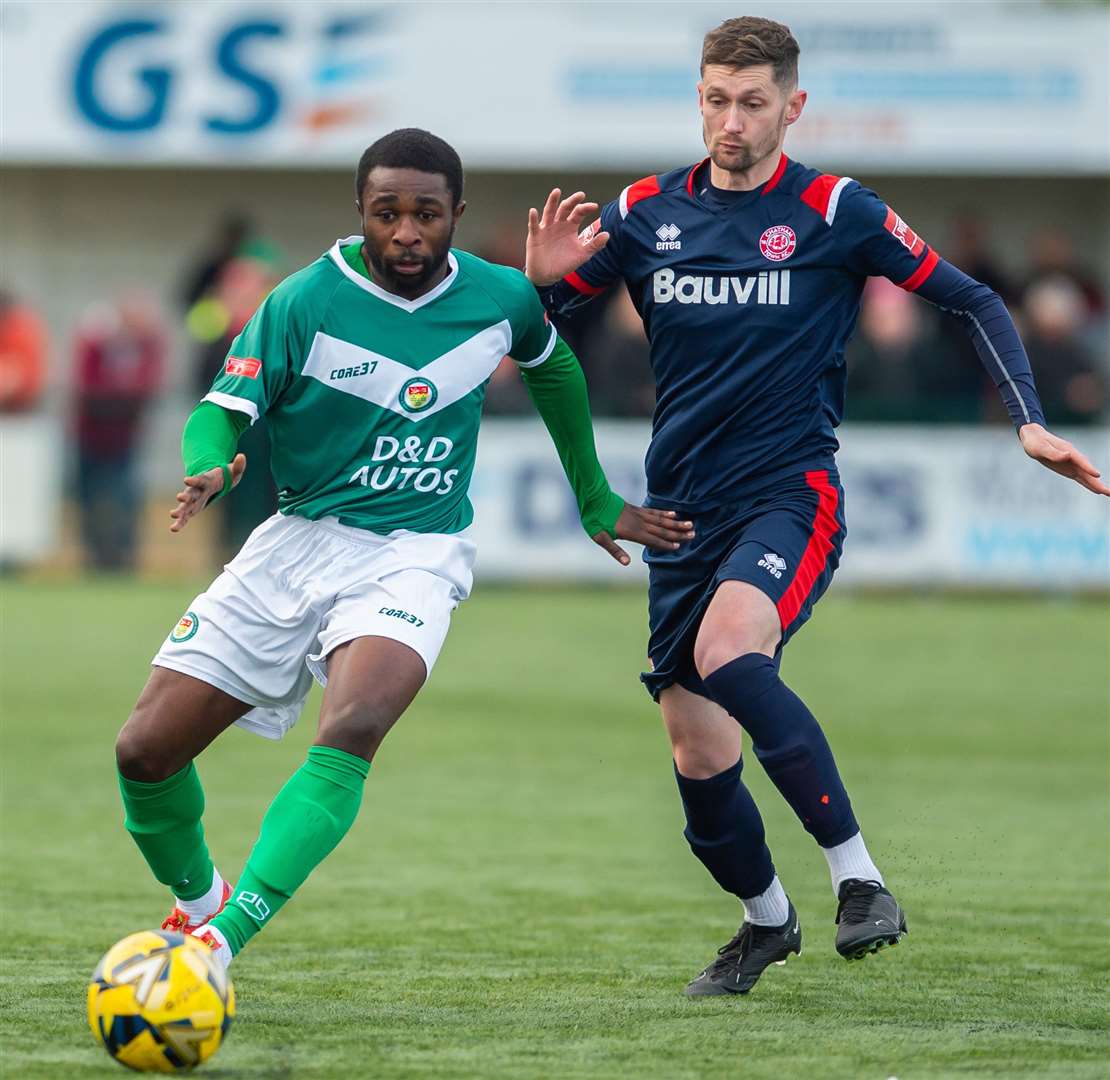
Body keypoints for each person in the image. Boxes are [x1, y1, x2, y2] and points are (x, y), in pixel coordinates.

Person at [524, 16, 1110, 997]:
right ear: (698, 100)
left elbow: (973, 301)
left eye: (753, 103)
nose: (732, 121)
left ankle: (860, 879)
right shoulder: (643, 214)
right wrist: (538, 287)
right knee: (697, 756)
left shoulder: (838, 209)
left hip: (791, 492)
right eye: (716, 98)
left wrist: (1028, 422)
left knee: (730, 654)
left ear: (792, 107)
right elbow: (542, 335)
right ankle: (767, 922)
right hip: (680, 512)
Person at [112, 129, 692, 970]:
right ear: (362, 212)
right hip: (297, 542)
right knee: (143, 753)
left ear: (456, 214)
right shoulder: (302, 301)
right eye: (388, 213)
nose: (407, 232)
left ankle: (221, 945)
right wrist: (208, 464)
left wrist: (595, 496)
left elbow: (553, 367)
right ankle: (197, 906)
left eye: (426, 214)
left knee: (353, 723)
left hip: (415, 552)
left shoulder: (501, 298)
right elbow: (220, 411)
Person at [73, 292, 166, 572]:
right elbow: (87, 388)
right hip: (91, 434)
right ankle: (93, 556)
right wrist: (120, 398)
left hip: (125, 437)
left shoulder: (145, 347)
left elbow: (146, 388)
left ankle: (124, 556)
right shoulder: (97, 344)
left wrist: (115, 399)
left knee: (125, 497)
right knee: (89, 495)